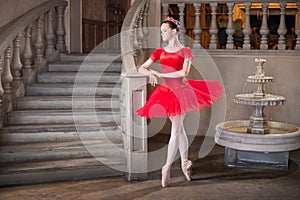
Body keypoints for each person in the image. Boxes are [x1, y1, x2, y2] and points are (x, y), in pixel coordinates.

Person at [137, 17, 223, 187]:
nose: (162, 33)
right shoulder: (159, 52)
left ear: (174, 31)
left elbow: (183, 72)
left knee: (176, 131)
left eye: (164, 30)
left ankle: (167, 167)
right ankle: (183, 162)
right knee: (179, 129)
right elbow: (142, 67)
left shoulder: (185, 51)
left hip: (182, 92)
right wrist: (151, 74)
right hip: (166, 93)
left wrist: (161, 75)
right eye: (161, 30)